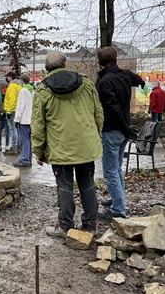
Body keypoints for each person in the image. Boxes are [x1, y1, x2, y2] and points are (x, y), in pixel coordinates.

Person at [31, 52, 103, 237]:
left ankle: (65, 226)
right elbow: (98, 113)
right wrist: (94, 136)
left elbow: (38, 124)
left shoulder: (43, 90)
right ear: (65, 64)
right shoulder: (86, 84)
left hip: (60, 148)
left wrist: (38, 151)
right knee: (87, 184)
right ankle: (90, 225)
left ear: (46, 68)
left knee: (64, 187)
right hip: (86, 146)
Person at [96, 46, 145, 220]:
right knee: (116, 169)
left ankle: (118, 210)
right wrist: (140, 82)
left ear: (100, 62)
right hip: (124, 130)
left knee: (110, 171)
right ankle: (118, 199)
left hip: (112, 129)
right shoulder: (125, 75)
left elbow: (113, 108)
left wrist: (125, 127)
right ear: (115, 59)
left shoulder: (105, 82)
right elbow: (138, 79)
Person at [14, 73, 34, 167]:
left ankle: (24, 159)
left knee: (24, 140)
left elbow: (20, 106)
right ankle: (28, 158)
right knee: (29, 140)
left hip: (24, 119)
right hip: (31, 119)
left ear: (22, 81)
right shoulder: (32, 90)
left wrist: (17, 119)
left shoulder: (23, 91)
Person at [2, 71, 21, 155]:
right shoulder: (18, 85)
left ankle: (14, 147)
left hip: (12, 110)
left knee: (13, 129)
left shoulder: (12, 86)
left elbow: (12, 99)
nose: (6, 78)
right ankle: (17, 146)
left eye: (7, 77)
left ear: (10, 77)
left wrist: (9, 111)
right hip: (16, 109)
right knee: (16, 129)